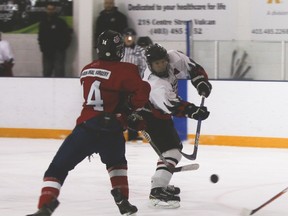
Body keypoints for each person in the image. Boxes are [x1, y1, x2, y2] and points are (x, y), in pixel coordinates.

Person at [26, 30, 151, 216]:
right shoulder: (127, 70)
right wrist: (128, 111)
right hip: (112, 129)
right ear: (119, 50)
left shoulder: (86, 69)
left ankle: (45, 205)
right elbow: (143, 90)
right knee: (116, 163)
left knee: (58, 168)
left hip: (87, 127)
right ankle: (122, 199)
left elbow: (101, 91)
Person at [129, 44, 212, 208]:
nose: (160, 65)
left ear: (166, 58)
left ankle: (161, 181)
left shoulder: (174, 57)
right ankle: (157, 191)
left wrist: (201, 81)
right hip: (148, 114)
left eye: (162, 61)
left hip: (160, 113)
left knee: (172, 150)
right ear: (150, 65)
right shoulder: (155, 84)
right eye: (156, 64)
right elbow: (174, 106)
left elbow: (192, 67)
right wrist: (193, 111)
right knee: (171, 151)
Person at [120, 27, 147, 142]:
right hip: (120, 84)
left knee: (133, 108)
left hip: (134, 84)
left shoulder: (139, 50)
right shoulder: (119, 50)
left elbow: (144, 66)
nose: (128, 38)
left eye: (130, 36)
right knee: (120, 108)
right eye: (126, 36)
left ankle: (133, 132)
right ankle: (119, 131)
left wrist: (140, 80)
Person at [38, 2, 72, 77]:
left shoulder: (61, 22)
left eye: (52, 9)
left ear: (55, 10)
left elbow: (67, 36)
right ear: (46, 10)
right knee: (46, 73)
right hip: (46, 52)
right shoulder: (43, 23)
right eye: (49, 9)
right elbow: (40, 37)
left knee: (59, 73)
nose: (50, 11)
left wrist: (62, 47)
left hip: (58, 52)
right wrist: (42, 48)